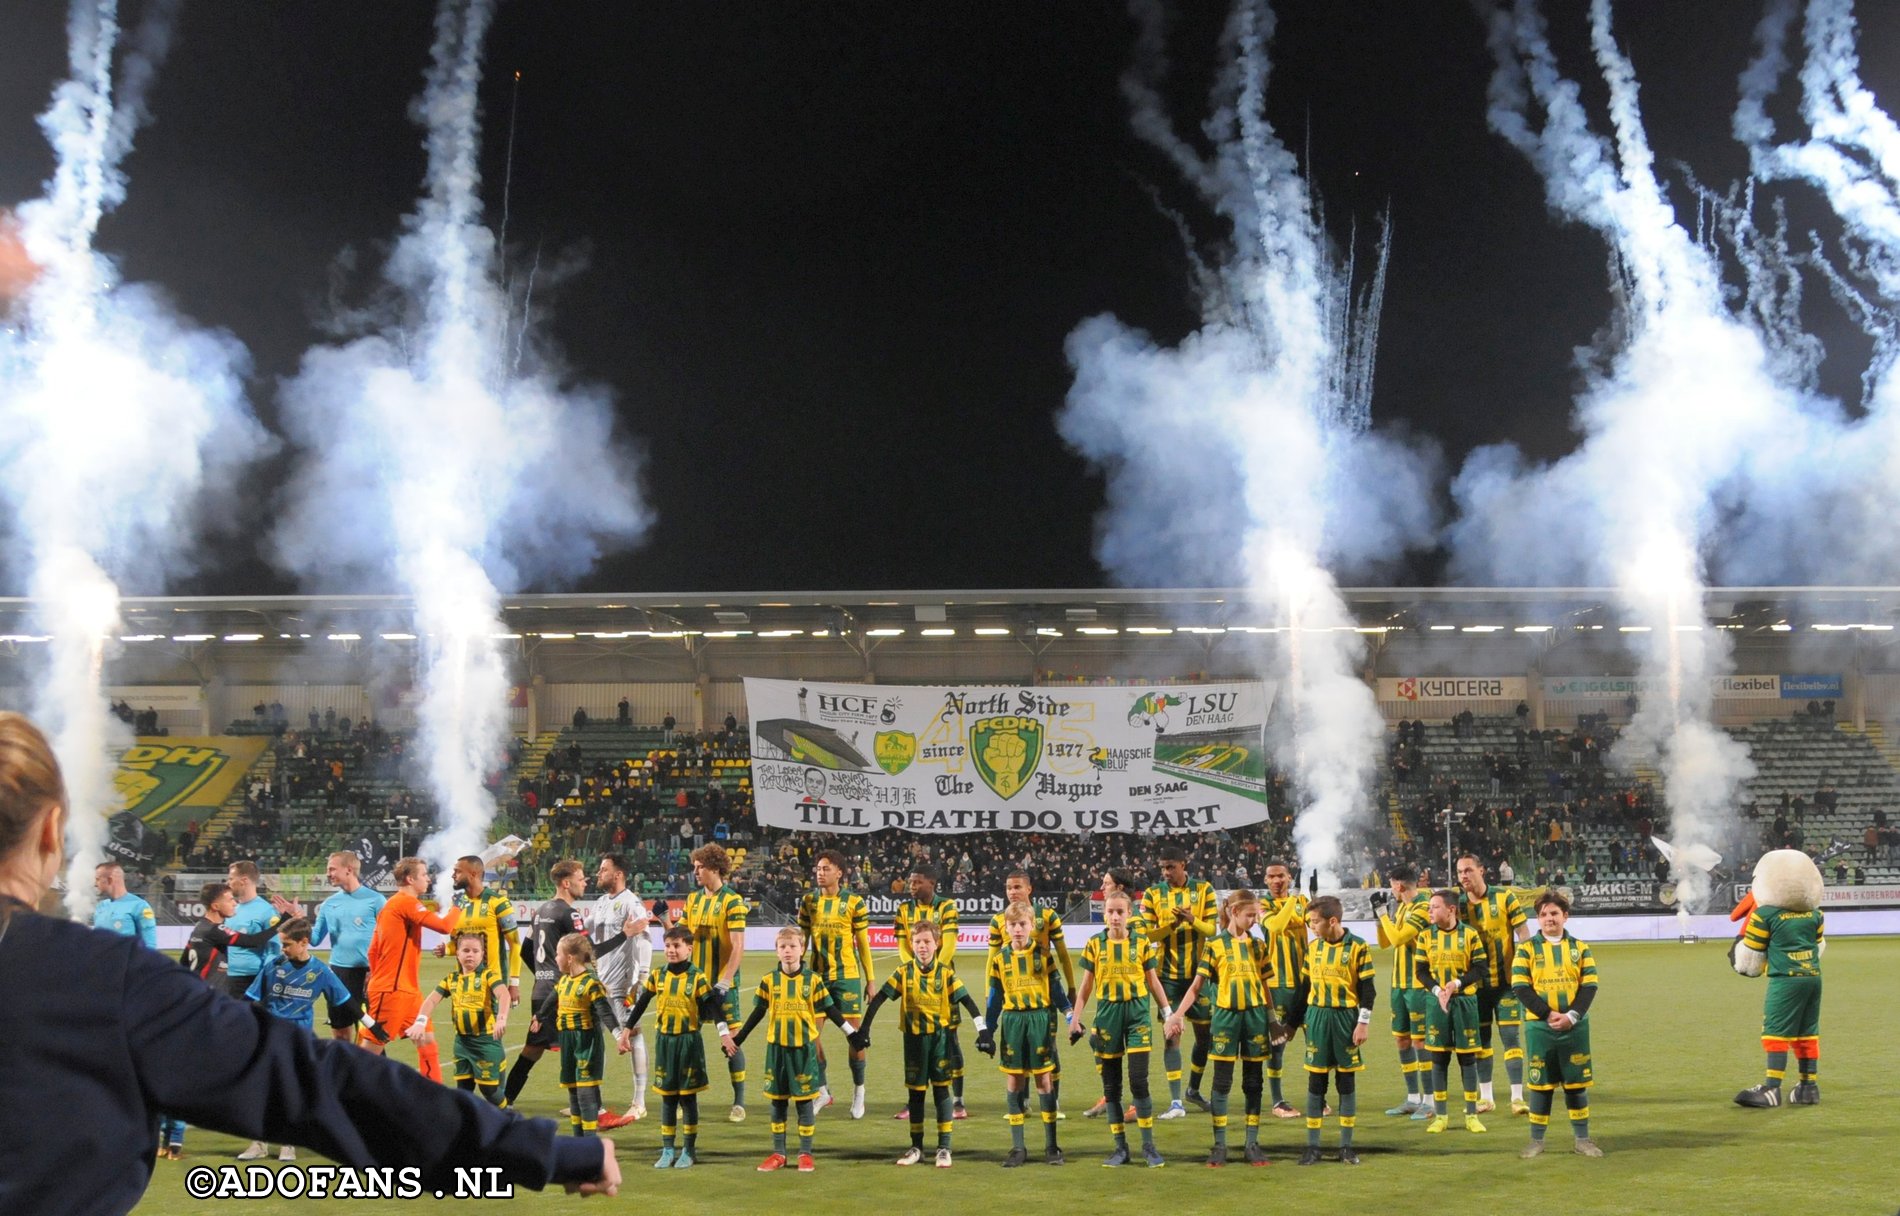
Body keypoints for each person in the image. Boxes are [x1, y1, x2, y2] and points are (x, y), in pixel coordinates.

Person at [0, 711, 622, 1213]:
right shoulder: (100, 978)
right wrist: (543, 1151)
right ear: (53, 833)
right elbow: (321, 1086)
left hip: (358, 989)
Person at [854, 919, 984, 1167]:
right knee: (916, 1093)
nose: (922, 946)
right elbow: (880, 998)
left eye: (926, 942)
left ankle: (944, 1148)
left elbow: (967, 1001)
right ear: (911, 945)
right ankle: (916, 1147)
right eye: (917, 942)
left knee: (941, 1090)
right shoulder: (903, 972)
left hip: (940, 1040)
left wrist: (983, 1030)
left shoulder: (945, 973)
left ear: (937, 944)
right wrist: (865, 1029)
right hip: (913, 1040)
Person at [730, 926, 859, 1172]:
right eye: (783, 947)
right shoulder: (769, 980)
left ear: (802, 949)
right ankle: (779, 1154)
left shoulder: (813, 980)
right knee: (777, 1103)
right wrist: (740, 1038)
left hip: (804, 1050)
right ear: (776, 951)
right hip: (777, 1050)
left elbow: (831, 1010)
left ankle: (805, 1153)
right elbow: (758, 1012)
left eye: (792, 946)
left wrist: (851, 1034)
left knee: (804, 1103)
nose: (788, 951)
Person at [242, 917, 371, 1161]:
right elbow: (249, 997)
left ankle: (288, 1144)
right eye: (281, 944)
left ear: (303, 943)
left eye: (287, 944)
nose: (283, 949)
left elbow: (345, 1001)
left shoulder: (320, 971)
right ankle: (258, 1144)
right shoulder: (273, 965)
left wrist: (370, 1024)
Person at [1166, 889, 1274, 1167]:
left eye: (1257, 915)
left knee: (1253, 1083)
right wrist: (1177, 1015)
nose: (1255, 920)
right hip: (1226, 1019)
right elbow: (1197, 986)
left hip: (1255, 1019)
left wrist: (1273, 1019)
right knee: (1222, 1082)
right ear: (1233, 912)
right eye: (1250, 915)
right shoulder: (1214, 945)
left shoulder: (1259, 947)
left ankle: (1252, 1142)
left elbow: (1265, 986)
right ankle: (1220, 1144)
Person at [1069, 889, 1168, 1167]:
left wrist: (1169, 1013)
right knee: (1112, 1087)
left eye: (1119, 912)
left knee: (1139, 1081)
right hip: (1108, 1017)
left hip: (1137, 1016)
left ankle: (1148, 1146)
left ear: (1130, 914)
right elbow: (1087, 986)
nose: (1114, 917)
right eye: (1109, 911)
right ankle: (1120, 1148)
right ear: (1104, 913)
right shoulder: (1094, 944)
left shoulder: (1142, 943)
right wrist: (1074, 1019)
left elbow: (1153, 981)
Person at [623, 924, 732, 1169]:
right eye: (668, 946)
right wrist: (627, 1028)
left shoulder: (697, 977)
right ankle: (667, 1149)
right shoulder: (658, 975)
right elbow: (642, 1003)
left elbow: (714, 1007)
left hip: (688, 1042)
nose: (671, 950)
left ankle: (689, 1150)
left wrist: (724, 1033)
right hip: (664, 1041)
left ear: (689, 949)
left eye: (676, 946)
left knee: (687, 1098)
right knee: (668, 1098)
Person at [1280, 895, 1376, 1166]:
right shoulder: (1313, 948)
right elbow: (1304, 989)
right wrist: (1291, 1024)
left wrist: (1363, 1022)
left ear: (1332, 921)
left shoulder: (1358, 947)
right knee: (1316, 1082)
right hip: (1317, 1018)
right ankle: (1313, 1147)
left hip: (1346, 1018)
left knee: (1345, 1082)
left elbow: (1368, 990)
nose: (1311, 926)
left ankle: (1346, 1146)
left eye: (1315, 922)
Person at [1512, 891, 1602, 1157]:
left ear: (1565, 916)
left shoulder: (1580, 948)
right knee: (1540, 1085)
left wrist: (1572, 1015)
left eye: (1554, 913)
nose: (1548, 918)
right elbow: (1520, 987)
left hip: (1574, 1027)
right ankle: (1536, 1141)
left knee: (1576, 1084)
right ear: (1537, 919)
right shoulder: (1527, 949)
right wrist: (1547, 1014)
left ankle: (1582, 1139)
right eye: (1543, 914)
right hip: (1540, 1027)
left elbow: (1589, 985)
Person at [983, 900, 1071, 1167]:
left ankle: (1052, 1146)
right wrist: (987, 1030)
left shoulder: (1043, 955)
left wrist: (1069, 1016)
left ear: (1032, 926)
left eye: (1023, 924)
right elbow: (995, 998)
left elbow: (1056, 992)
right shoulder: (1000, 959)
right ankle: (1018, 1147)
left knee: (1044, 1080)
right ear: (1005, 928)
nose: (1018, 929)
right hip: (1012, 1022)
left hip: (1039, 1020)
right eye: (1013, 925)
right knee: (1014, 1082)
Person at [363, 856, 463, 1080]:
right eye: (424, 874)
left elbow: (373, 950)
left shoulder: (392, 905)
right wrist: (459, 906)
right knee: (368, 1053)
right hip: (392, 991)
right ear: (410, 878)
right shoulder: (404, 902)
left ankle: (433, 1099)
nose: (428, 879)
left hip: (406, 991)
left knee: (428, 1044)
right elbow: (445, 926)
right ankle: (341, 1099)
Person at [502, 859, 589, 1108]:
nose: (585, 882)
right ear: (566, 882)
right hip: (561, 994)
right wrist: (625, 935)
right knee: (582, 1046)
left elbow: (526, 950)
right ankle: (590, 1107)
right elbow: (587, 953)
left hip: (541, 991)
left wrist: (544, 973)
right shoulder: (569, 913)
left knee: (531, 1050)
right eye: (580, 878)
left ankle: (504, 1102)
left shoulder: (541, 910)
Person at [675, 842, 750, 1120]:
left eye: (700, 867)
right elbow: (680, 937)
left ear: (715, 868)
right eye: (694, 867)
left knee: (731, 1041)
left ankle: (739, 1102)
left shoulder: (733, 901)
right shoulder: (693, 899)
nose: (695, 872)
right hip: (694, 983)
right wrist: (662, 921)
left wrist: (726, 981)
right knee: (687, 1040)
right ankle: (686, 1100)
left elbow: (738, 946)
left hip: (721, 984)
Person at [530, 933, 631, 1137]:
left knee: (585, 1092)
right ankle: (578, 1141)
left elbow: (604, 1012)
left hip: (586, 1042)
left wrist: (619, 1036)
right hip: (567, 1042)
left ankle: (590, 1142)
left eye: (557, 954)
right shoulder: (565, 981)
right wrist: (539, 1017)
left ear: (569, 958)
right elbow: (551, 999)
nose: (555, 958)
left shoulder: (591, 983)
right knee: (573, 1091)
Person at [1141, 846, 1216, 1118]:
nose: (1166, 873)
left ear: (1184, 864)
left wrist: (1191, 919)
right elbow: (1148, 935)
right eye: (1163, 867)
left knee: (1205, 1038)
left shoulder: (1204, 889)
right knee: (1172, 1035)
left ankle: (1193, 1090)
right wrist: (1172, 926)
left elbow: (1212, 929)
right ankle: (1176, 1103)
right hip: (1167, 979)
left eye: (1171, 867)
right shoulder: (1153, 894)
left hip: (1199, 975)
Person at [799, 848, 873, 1118]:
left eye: (826, 868)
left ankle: (859, 1091)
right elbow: (801, 940)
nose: (820, 873)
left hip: (847, 977)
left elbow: (863, 944)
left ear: (840, 873)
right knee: (810, 1036)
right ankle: (823, 1091)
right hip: (817, 979)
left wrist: (870, 981)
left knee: (855, 1039)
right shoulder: (808, 901)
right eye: (818, 869)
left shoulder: (854, 902)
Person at [1456, 853, 1530, 1114]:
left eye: (1468, 870)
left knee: (1510, 1037)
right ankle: (1486, 1097)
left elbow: (1522, 931)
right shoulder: (1459, 905)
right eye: (1460, 872)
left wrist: (1524, 959)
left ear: (1482, 870)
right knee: (1482, 1041)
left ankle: (1517, 1098)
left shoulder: (1504, 897)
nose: (1464, 876)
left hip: (1507, 983)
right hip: (1476, 986)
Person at [891, 863, 966, 1117]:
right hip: (914, 982)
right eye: (910, 882)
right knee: (916, 1043)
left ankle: (958, 1100)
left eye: (916, 882)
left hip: (942, 982)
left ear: (931, 883)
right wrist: (913, 970)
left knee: (951, 1040)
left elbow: (950, 944)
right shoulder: (903, 909)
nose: (911, 886)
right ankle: (914, 1101)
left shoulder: (946, 906)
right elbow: (902, 945)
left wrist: (935, 973)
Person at [1414, 890, 1489, 1135]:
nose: (1430, 912)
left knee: (1467, 1058)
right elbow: (1421, 971)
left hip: (1465, 1002)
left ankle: (1471, 1114)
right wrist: (1437, 991)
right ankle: (1441, 1116)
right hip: (1436, 1003)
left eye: (1434, 907)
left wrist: (1456, 984)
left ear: (1451, 909)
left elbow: (1480, 968)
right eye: (1430, 907)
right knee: (1438, 1059)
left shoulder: (1470, 934)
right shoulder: (1425, 936)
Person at [411, 930, 512, 1106]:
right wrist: (420, 1022)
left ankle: (509, 1117)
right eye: (466, 950)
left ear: (482, 954)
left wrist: (501, 1019)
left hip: (486, 1042)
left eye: (475, 951)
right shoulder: (452, 979)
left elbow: (504, 994)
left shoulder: (489, 975)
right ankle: (467, 1129)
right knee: (463, 1092)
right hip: (462, 1044)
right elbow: (432, 1000)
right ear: (457, 953)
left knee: (489, 1091)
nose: (470, 955)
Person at [588, 853, 653, 1128]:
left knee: (633, 1036)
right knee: (595, 1039)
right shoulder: (601, 902)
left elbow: (645, 938)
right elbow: (588, 936)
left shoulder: (631, 903)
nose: (598, 873)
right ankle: (590, 1100)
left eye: (603, 869)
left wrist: (642, 977)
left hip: (623, 983)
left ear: (618, 874)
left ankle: (639, 1102)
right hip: (600, 982)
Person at [1374, 862, 1435, 1118]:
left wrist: (1384, 914)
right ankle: (1412, 1098)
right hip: (1398, 984)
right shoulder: (1402, 908)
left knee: (1421, 1041)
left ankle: (1430, 1101)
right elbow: (1386, 942)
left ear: (1398, 885)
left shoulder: (1423, 907)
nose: (1392, 891)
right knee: (1402, 1039)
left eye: (1392, 886)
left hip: (1417, 986)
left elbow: (1399, 938)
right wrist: (1380, 917)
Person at [310, 849, 387, 1041]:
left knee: (373, 1033)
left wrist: (378, 968)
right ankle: (344, 1069)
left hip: (371, 973)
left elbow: (388, 939)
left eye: (332, 869)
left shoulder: (376, 900)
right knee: (341, 1031)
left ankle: (370, 1069)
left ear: (349, 870)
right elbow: (314, 939)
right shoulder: (329, 903)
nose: (328, 874)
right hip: (339, 974)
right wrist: (295, 918)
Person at [1259, 860, 1311, 1118]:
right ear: (1266, 880)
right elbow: (1277, 926)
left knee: (1314, 1041)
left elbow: (1316, 925)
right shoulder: (1263, 905)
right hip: (1277, 985)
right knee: (1277, 1043)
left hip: (1305, 983)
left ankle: (1317, 1097)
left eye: (1281, 875)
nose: (1277, 880)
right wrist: (1295, 897)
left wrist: (1311, 900)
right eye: (1272, 876)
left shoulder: (1303, 902)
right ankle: (1278, 1101)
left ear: (1289, 877)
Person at [223, 860, 287, 1000]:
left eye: (231, 879)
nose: (228, 883)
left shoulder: (266, 911)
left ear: (244, 880)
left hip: (253, 979)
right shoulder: (230, 910)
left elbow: (274, 949)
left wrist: (265, 977)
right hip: (228, 979)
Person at [91, 861, 155, 948]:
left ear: (110, 880)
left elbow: (150, 945)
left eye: (98, 879)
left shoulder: (140, 906)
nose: (95, 884)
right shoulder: (101, 907)